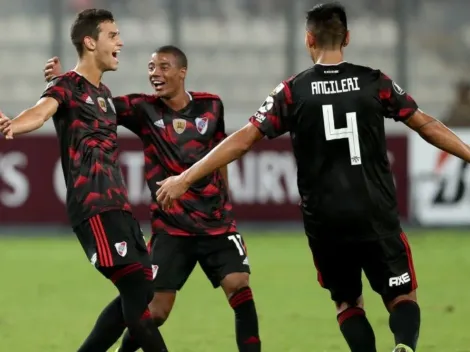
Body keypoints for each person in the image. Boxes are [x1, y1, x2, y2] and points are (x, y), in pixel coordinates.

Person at [154, 3, 470, 352]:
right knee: (401, 295)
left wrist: (185, 177)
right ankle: (404, 345)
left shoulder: (292, 91)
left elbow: (243, 139)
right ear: (347, 38)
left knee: (348, 304)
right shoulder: (374, 81)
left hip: (326, 221)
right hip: (375, 210)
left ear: (308, 40)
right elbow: (425, 124)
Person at [44, 45, 261, 352]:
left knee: (239, 285)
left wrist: (228, 208)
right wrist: (60, 87)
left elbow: (220, 155)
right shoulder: (141, 108)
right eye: (150, 68)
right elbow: (94, 104)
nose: (155, 74)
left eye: (163, 67)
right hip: (171, 229)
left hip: (216, 224)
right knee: (154, 310)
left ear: (182, 72)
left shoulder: (212, 106)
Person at [0, 9, 166, 352]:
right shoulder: (64, 87)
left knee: (144, 289)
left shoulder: (103, 94)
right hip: (93, 207)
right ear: (90, 42)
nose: (120, 41)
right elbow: (42, 110)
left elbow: (78, 98)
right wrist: (12, 125)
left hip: (118, 205)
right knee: (136, 287)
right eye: (112, 35)